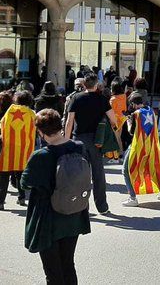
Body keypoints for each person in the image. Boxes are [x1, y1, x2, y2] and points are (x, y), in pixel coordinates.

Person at [21, 108, 91, 284]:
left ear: (40, 132)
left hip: (49, 216)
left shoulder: (40, 156)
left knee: (53, 271)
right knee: (68, 263)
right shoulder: (78, 147)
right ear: (60, 126)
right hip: (74, 212)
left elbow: (25, 183)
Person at [64, 73, 117, 214]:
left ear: (83, 85)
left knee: (81, 174)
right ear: (96, 85)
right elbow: (114, 120)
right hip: (96, 140)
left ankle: (82, 207)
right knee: (98, 173)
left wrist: (66, 140)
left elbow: (69, 122)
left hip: (78, 138)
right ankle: (102, 206)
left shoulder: (76, 98)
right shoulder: (102, 99)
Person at [0, 91, 36, 210]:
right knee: (20, 174)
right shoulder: (31, 113)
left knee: (4, 175)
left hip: (9, 148)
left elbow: (1, 124)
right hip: (25, 148)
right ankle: (21, 197)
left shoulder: (10, 110)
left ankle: (0, 201)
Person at [121, 93, 160, 207]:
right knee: (154, 168)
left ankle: (132, 198)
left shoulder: (136, 114)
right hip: (151, 146)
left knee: (126, 170)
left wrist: (128, 120)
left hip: (138, 146)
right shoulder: (150, 111)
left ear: (132, 104)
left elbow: (131, 132)